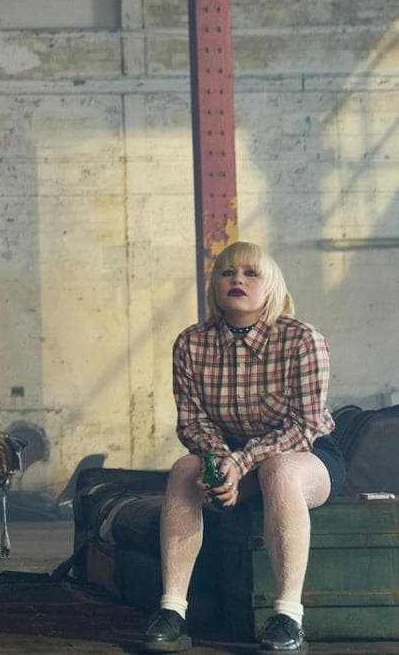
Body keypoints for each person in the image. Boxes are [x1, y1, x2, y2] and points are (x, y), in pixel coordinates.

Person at [141, 241, 344, 654]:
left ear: (271, 286)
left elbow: (303, 426)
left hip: (307, 455)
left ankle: (288, 617)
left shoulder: (302, 339)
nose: (237, 280)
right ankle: (172, 611)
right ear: (214, 285)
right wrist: (219, 465)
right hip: (229, 455)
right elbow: (193, 422)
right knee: (184, 468)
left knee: (279, 470)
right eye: (226, 273)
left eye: (251, 273)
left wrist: (241, 461)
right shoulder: (191, 344)